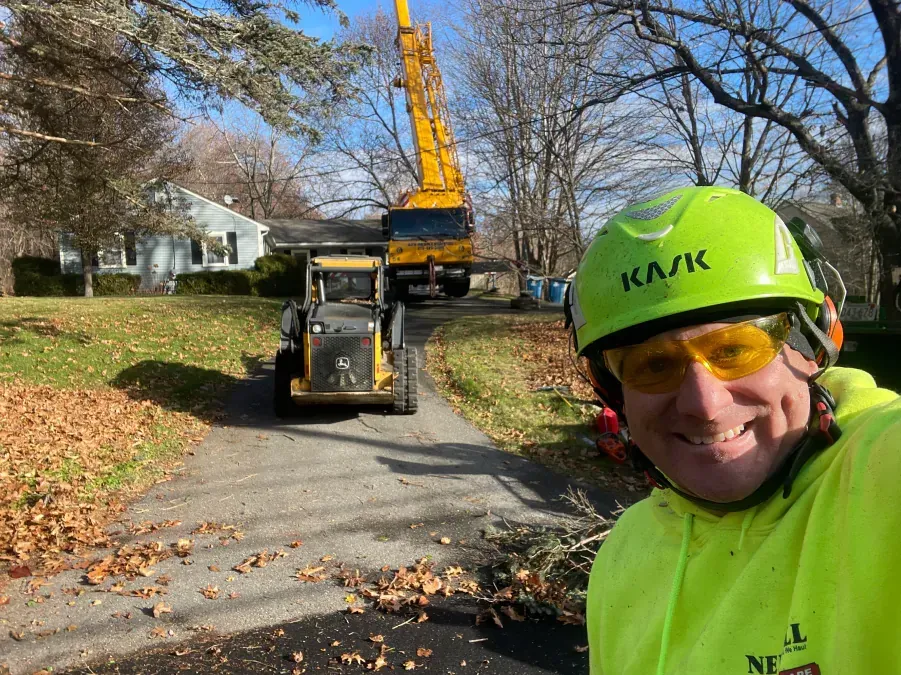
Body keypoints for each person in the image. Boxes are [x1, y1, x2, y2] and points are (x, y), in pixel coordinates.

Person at [565, 186, 901, 675]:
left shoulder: (881, 473)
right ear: (612, 390)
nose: (704, 404)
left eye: (734, 350)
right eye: (653, 365)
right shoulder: (623, 555)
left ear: (815, 340)